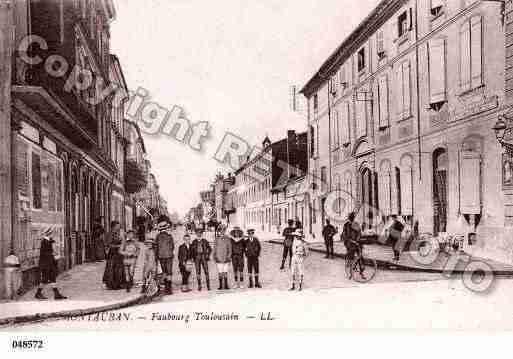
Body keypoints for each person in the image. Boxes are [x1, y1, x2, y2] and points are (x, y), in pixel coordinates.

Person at [35, 227, 67, 300]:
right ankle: (38, 293)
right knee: (45, 279)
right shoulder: (44, 242)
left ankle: (56, 294)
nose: (53, 234)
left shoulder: (49, 241)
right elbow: (45, 254)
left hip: (50, 263)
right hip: (46, 264)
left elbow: (51, 251)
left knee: (52, 278)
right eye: (52, 233)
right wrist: (54, 257)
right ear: (49, 233)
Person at [103, 221, 126, 290]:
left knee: (119, 269)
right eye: (117, 226)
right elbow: (108, 244)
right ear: (114, 226)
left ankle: (119, 284)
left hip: (118, 253)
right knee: (112, 268)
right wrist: (118, 246)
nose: (119, 227)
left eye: (119, 226)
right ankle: (112, 284)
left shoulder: (117, 233)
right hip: (113, 254)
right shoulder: (110, 234)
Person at [156, 220, 175, 295]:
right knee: (169, 272)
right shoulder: (169, 236)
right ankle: (169, 289)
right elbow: (172, 246)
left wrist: (157, 255)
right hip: (169, 256)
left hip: (161, 256)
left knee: (164, 271)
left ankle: (166, 288)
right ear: (166, 228)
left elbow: (156, 247)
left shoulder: (158, 237)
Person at [214, 224, 232, 290]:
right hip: (219, 258)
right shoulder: (217, 239)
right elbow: (215, 249)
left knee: (225, 272)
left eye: (223, 230)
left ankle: (226, 285)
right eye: (221, 230)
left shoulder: (228, 239)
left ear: (225, 231)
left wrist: (229, 257)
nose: (222, 231)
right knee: (220, 272)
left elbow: (230, 249)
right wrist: (215, 257)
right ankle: (221, 285)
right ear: (219, 231)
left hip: (226, 258)